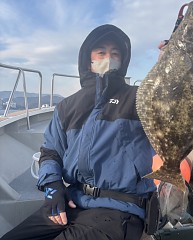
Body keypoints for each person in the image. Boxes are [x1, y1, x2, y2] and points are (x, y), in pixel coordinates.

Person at [1, 24, 157, 240]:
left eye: (115, 53)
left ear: (123, 61)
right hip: (73, 201)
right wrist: (53, 186)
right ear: (88, 59)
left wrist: (178, 60)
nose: (108, 58)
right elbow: (51, 152)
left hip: (120, 210)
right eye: (101, 52)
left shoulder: (141, 99)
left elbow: (174, 103)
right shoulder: (67, 106)